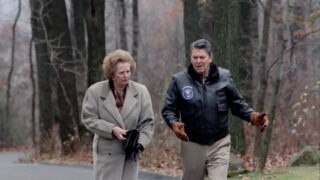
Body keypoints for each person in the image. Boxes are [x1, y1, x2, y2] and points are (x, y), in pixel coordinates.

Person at [161, 39, 269, 180]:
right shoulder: (179, 80)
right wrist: (174, 124)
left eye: (202, 57)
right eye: (195, 57)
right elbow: (168, 109)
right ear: (190, 57)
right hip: (192, 142)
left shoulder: (224, 77)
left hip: (219, 142)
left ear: (210, 58)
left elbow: (238, 104)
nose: (198, 61)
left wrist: (253, 117)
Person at [82, 49, 154, 180]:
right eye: (121, 72)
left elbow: (148, 122)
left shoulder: (141, 91)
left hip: (131, 153)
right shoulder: (96, 91)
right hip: (106, 153)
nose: (126, 75)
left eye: (128, 71)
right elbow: (89, 118)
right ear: (112, 74)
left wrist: (140, 143)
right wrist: (112, 129)